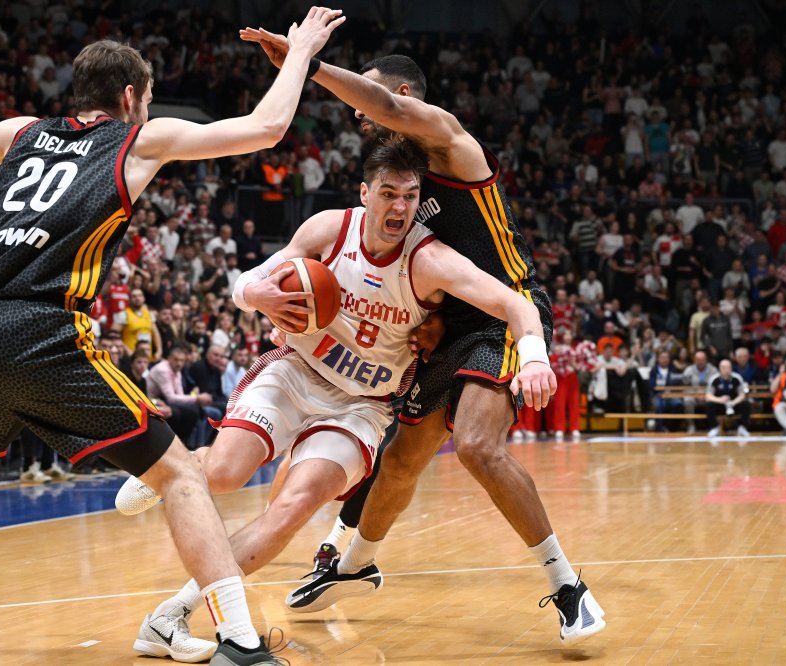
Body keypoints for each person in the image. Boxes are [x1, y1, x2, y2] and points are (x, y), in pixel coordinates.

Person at [0, 11, 346, 662]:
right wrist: (302, 50)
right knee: (180, 475)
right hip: (41, 329)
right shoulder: (136, 139)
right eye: (146, 99)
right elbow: (266, 128)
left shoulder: (22, 131)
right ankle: (240, 642)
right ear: (131, 97)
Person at [115, 139, 569, 654]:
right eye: (388, 193)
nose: (399, 207)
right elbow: (252, 281)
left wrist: (534, 357)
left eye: (410, 196)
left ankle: (170, 615)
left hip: (361, 406)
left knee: (291, 508)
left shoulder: (430, 260)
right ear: (365, 193)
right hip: (297, 371)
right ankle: (180, 466)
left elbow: (517, 304)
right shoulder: (329, 230)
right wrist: (253, 295)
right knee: (222, 474)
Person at [237, 36, 602, 640]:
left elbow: (388, 110)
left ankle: (567, 586)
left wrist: (311, 64)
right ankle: (355, 562)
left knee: (477, 446)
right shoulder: (404, 182)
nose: (358, 115)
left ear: (402, 96)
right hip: (450, 324)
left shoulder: (453, 143)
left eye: (367, 100)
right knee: (402, 459)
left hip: (505, 314)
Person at [704, 359, 751, 437]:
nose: (726, 370)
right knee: (709, 405)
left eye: (728, 367)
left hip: (734, 404)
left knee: (746, 404)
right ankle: (714, 428)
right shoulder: (714, 379)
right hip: (720, 405)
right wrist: (720, 400)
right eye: (724, 367)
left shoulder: (737, 378)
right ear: (719, 368)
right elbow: (708, 396)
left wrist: (733, 402)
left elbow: (742, 395)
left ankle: (742, 427)